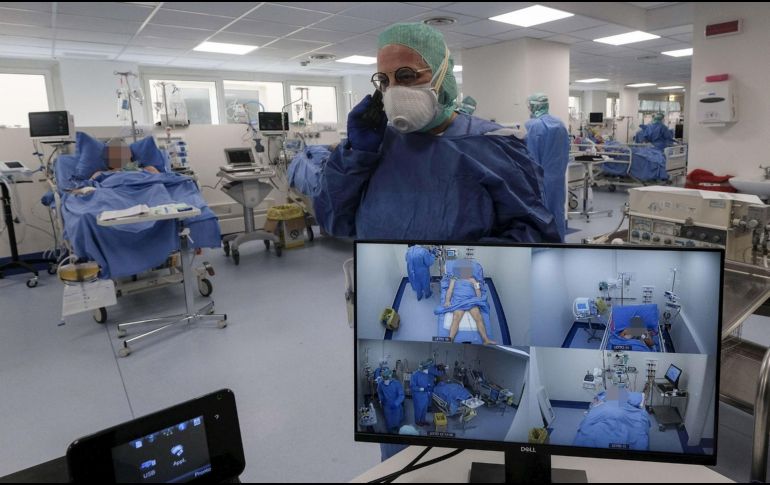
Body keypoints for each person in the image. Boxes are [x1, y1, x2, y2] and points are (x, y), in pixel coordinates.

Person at [313, 22, 559, 243]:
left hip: (464, 287)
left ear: (443, 76)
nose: (394, 90)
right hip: (383, 283)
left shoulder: (492, 144)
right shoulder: (376, 147)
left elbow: (533, 232)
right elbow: (335, 221)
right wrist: (357, 155)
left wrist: (469, 262)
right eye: (385, 81)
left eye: (406, 75)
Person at [524, 93, 571, 239]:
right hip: (557, 178)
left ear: (534, 106)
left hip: (540, 178)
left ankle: (544, 244)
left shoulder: (535, 126)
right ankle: (559, 241)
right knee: (557, 210)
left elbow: (530, 157)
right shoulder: (560, 124)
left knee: (541, 211)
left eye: (530, 106)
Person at [444, 265, 496, 345]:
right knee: (456, 318)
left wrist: (478, 299)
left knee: (478, 317)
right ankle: (450, 339)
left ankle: (486, 339)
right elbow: (450, 290)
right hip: (459, 301)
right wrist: (447, 301)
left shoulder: (472, 280)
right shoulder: (454, 279)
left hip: (470, 300)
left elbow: (477, 289)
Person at [376, 368, 405, 433]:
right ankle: (389, 430)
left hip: (396, 403)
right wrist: (381, 400)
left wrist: (396, 403)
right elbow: (379, 392)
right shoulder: (381, 384)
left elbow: (401, 395)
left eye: (387, 380)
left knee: (396, 417)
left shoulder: (396, 383)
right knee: (388, 418)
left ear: (390, 377)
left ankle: (397, 427)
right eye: (384, 380)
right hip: (386, 404)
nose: (386, 382)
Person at [410, 360, 436, 426]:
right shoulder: (415, 374)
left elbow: (428, 383)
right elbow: (412, 386)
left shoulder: (426, 374)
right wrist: (421, 389)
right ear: (423, 368)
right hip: (418, 396)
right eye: (427, 369)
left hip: (425, 395)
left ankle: (423, 420)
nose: (427, 371)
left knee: (424, 409)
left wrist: (429, 388)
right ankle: (417, 421)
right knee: (419, 409)